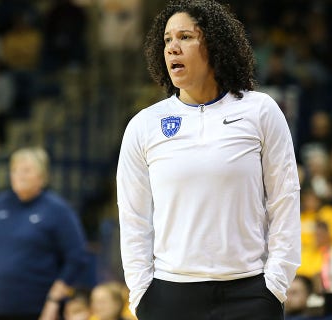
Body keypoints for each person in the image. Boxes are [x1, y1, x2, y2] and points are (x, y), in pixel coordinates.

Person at [116, 1, 301, 319]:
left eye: (185, 37)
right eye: (167, 39)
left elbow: (284, 199)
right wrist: (141, 294)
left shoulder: (260, 111)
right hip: (169, 295)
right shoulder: (144, 125)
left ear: (214, 46)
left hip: (249, 293)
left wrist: (275, 285)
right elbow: (134, 219)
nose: (172, 47)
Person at [0, 146, 90, 320]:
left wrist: (54, 300)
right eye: (14, 170)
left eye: (26, 170)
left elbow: (77, 256)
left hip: (37, 309)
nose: (19, 175)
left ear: (42, 177)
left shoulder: (57, 210)